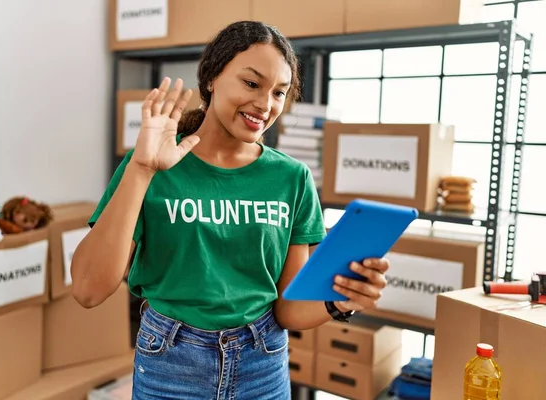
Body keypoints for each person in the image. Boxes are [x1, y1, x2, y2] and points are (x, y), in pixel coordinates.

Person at [71, 20, 389, 400]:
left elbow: (287, 310)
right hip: (171, 364)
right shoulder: (153, 163)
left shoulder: (292, 178)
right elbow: (89, 290)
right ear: (211, 78)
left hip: (263, 365)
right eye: (252, 84)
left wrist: (340, 301)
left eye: (279, 92)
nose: (265, 104)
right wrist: (140, 170)